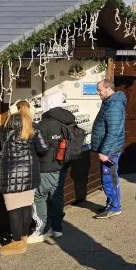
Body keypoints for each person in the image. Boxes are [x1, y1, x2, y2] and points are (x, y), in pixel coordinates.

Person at [0, 100, 50, 256]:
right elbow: (44, 148)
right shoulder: (33, 127)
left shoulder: (3, 129)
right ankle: (23, 238)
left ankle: (17, 242)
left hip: (9, 174)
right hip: (30, 172)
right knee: (25, 206)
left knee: (13, 209)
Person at [28, 92, 77, 243]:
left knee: (39, 196)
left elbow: (37, 147)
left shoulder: (44, 124)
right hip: (63, 164)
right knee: (57, 195)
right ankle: (57, 228)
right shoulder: (68, 121)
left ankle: (39, 229)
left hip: (45, 166)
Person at [90, 80, 126, 219]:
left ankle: (114, 206)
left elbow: (113, 131)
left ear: (108, 89)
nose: (98, 92)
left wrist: (105, 152)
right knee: (108, 177)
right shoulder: (110, 102)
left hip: (110, 150)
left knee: (109, 178)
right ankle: (111, 203)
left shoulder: (114, 105)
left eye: (99, 90)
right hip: (109, 147)